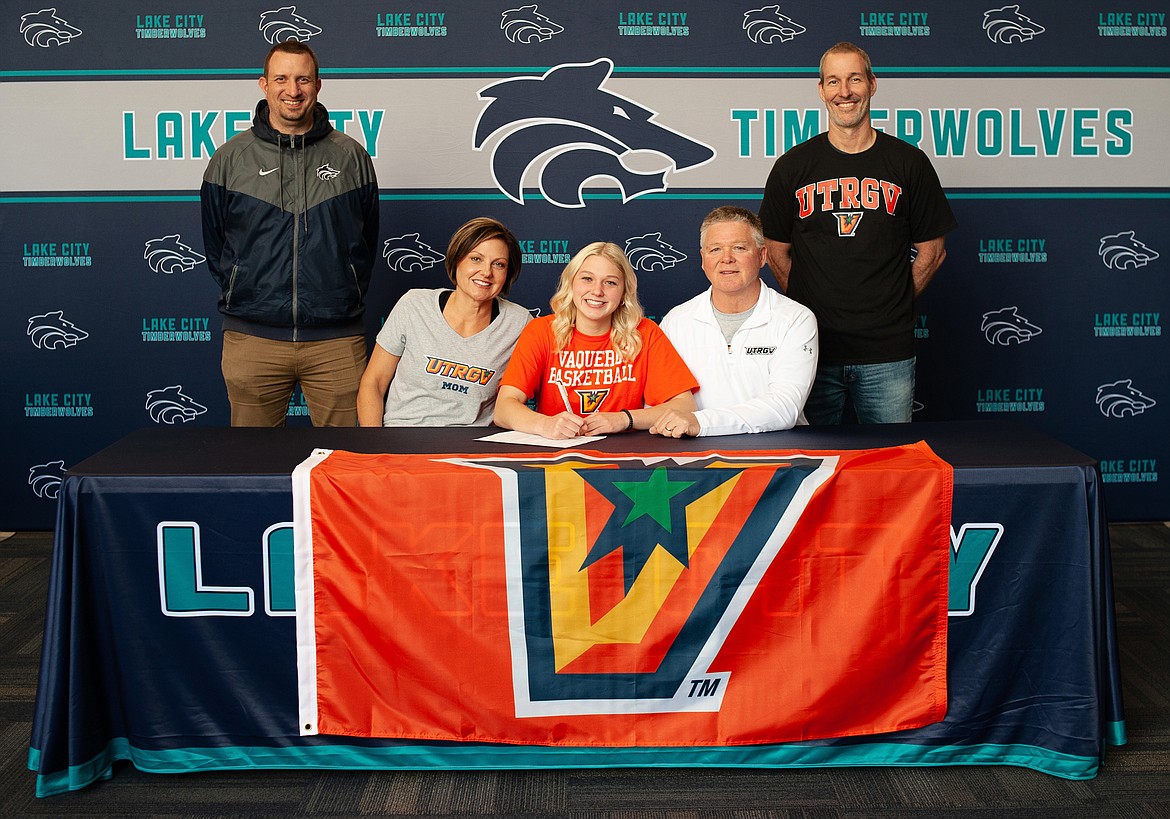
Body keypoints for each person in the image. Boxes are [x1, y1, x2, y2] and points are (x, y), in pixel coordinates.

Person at [759, 41, 957, 425]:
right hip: (810, 349)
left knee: (890, 469)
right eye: (833, 81)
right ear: (821, 90)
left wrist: (894, 303)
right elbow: (775, 250)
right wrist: (807, 305)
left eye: (854, 79)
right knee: (813, 473)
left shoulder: (908, 162)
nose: (844, 91)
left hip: (888, 353)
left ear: (872, 84)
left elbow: (933, 251)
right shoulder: (793, 166)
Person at [201, 41, 379, 427]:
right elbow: (217, 244)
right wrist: (244, 285)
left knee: (345, 468)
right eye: (281, 78)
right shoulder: (231, 158)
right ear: (263, 85)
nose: (293, 90)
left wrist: (340, 287)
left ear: (318, 85)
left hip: (336, 340)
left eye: (303, 79)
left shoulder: (351, 157)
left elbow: (366, 241)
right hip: (253, 340)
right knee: (254, 471)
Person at [494, 242, 698, 439]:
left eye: (610, 282)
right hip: (557, 455)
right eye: (587, 279)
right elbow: (503, 409)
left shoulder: (644, 333)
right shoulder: (542, 331)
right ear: (571, 283)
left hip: (624, 456)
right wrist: (545, 424)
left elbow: (685, 406)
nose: (597, 291)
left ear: (624, 292)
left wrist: (624, 419)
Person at [651, 206, 818, 438]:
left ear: (762, 256)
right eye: (715, 249)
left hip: (777, 457)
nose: (726, 259)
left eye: (739, 248)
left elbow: (784, 408)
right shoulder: (676, 321)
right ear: (703, 259)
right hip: (695, 459)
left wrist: (701, 423)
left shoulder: (796, 319)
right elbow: (659, 404)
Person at [357, 217, 530, 426]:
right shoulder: (414, 305)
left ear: (508, 274)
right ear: (456, 260)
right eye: (476, 259)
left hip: (470, 447)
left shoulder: (519, 323)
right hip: (402, 438)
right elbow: (374, 383)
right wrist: (375, 448)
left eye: (499, 264)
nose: (486, 272)